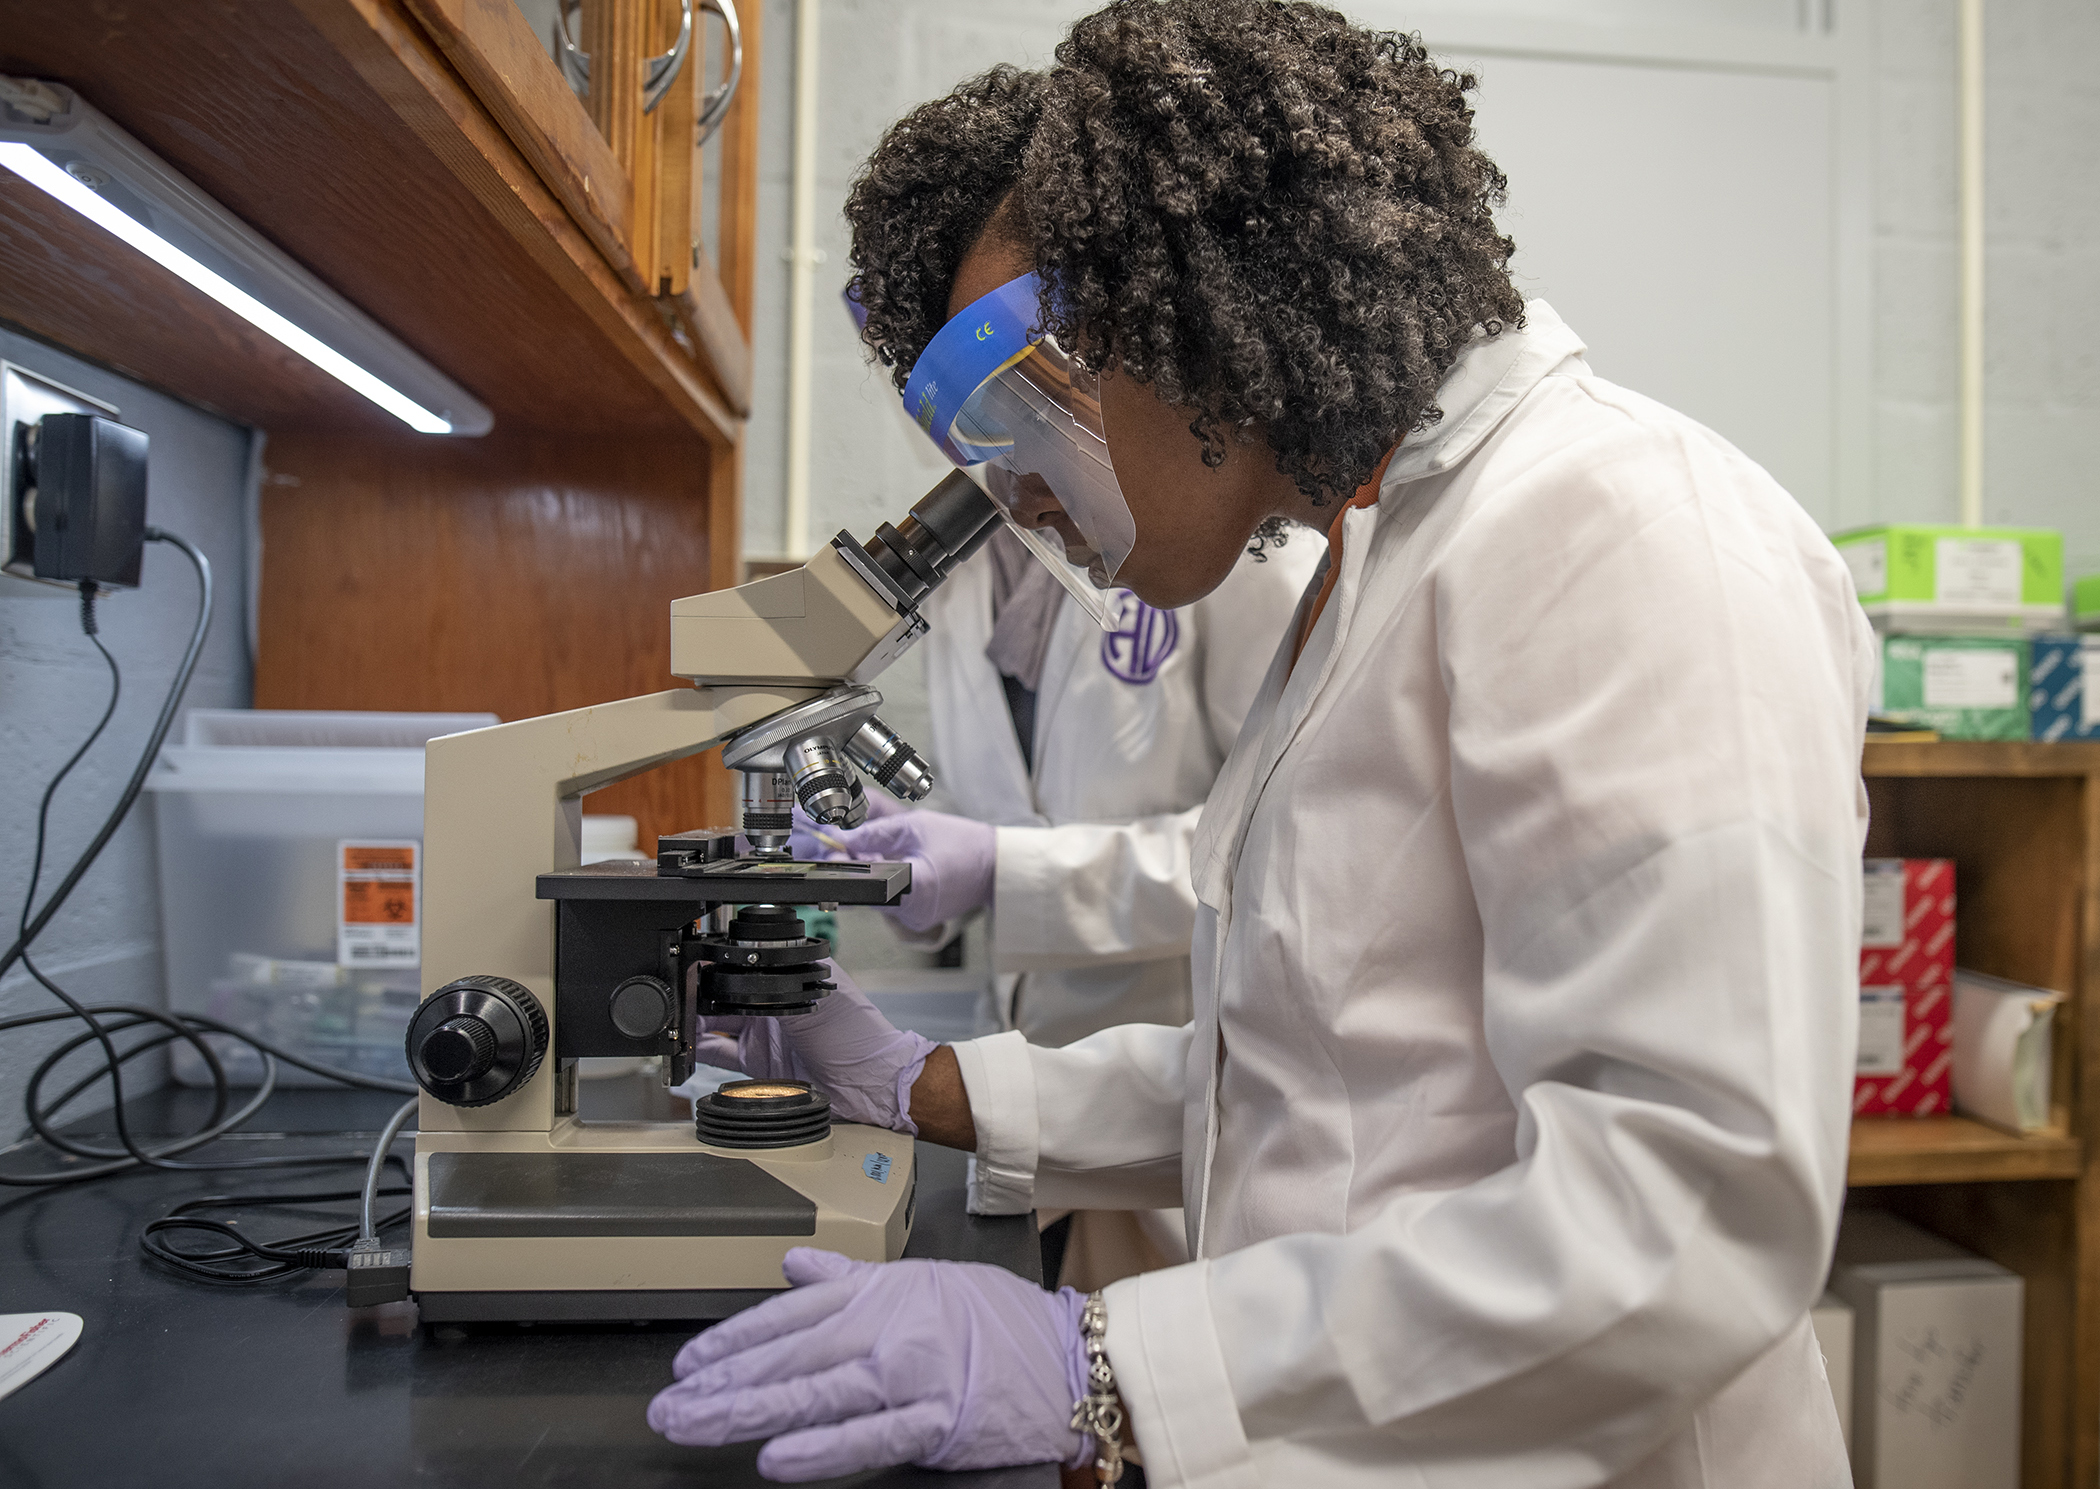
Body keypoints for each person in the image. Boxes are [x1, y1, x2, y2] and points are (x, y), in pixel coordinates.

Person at [651, 3, 1871, 1485]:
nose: (1020, 502)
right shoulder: (1372, 562)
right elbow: (1307, 1077)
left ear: (1181, 297)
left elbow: (1687, 1212)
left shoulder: (1617, 526)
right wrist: (935, 1087)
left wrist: (1106, 1370)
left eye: (1019, 414)